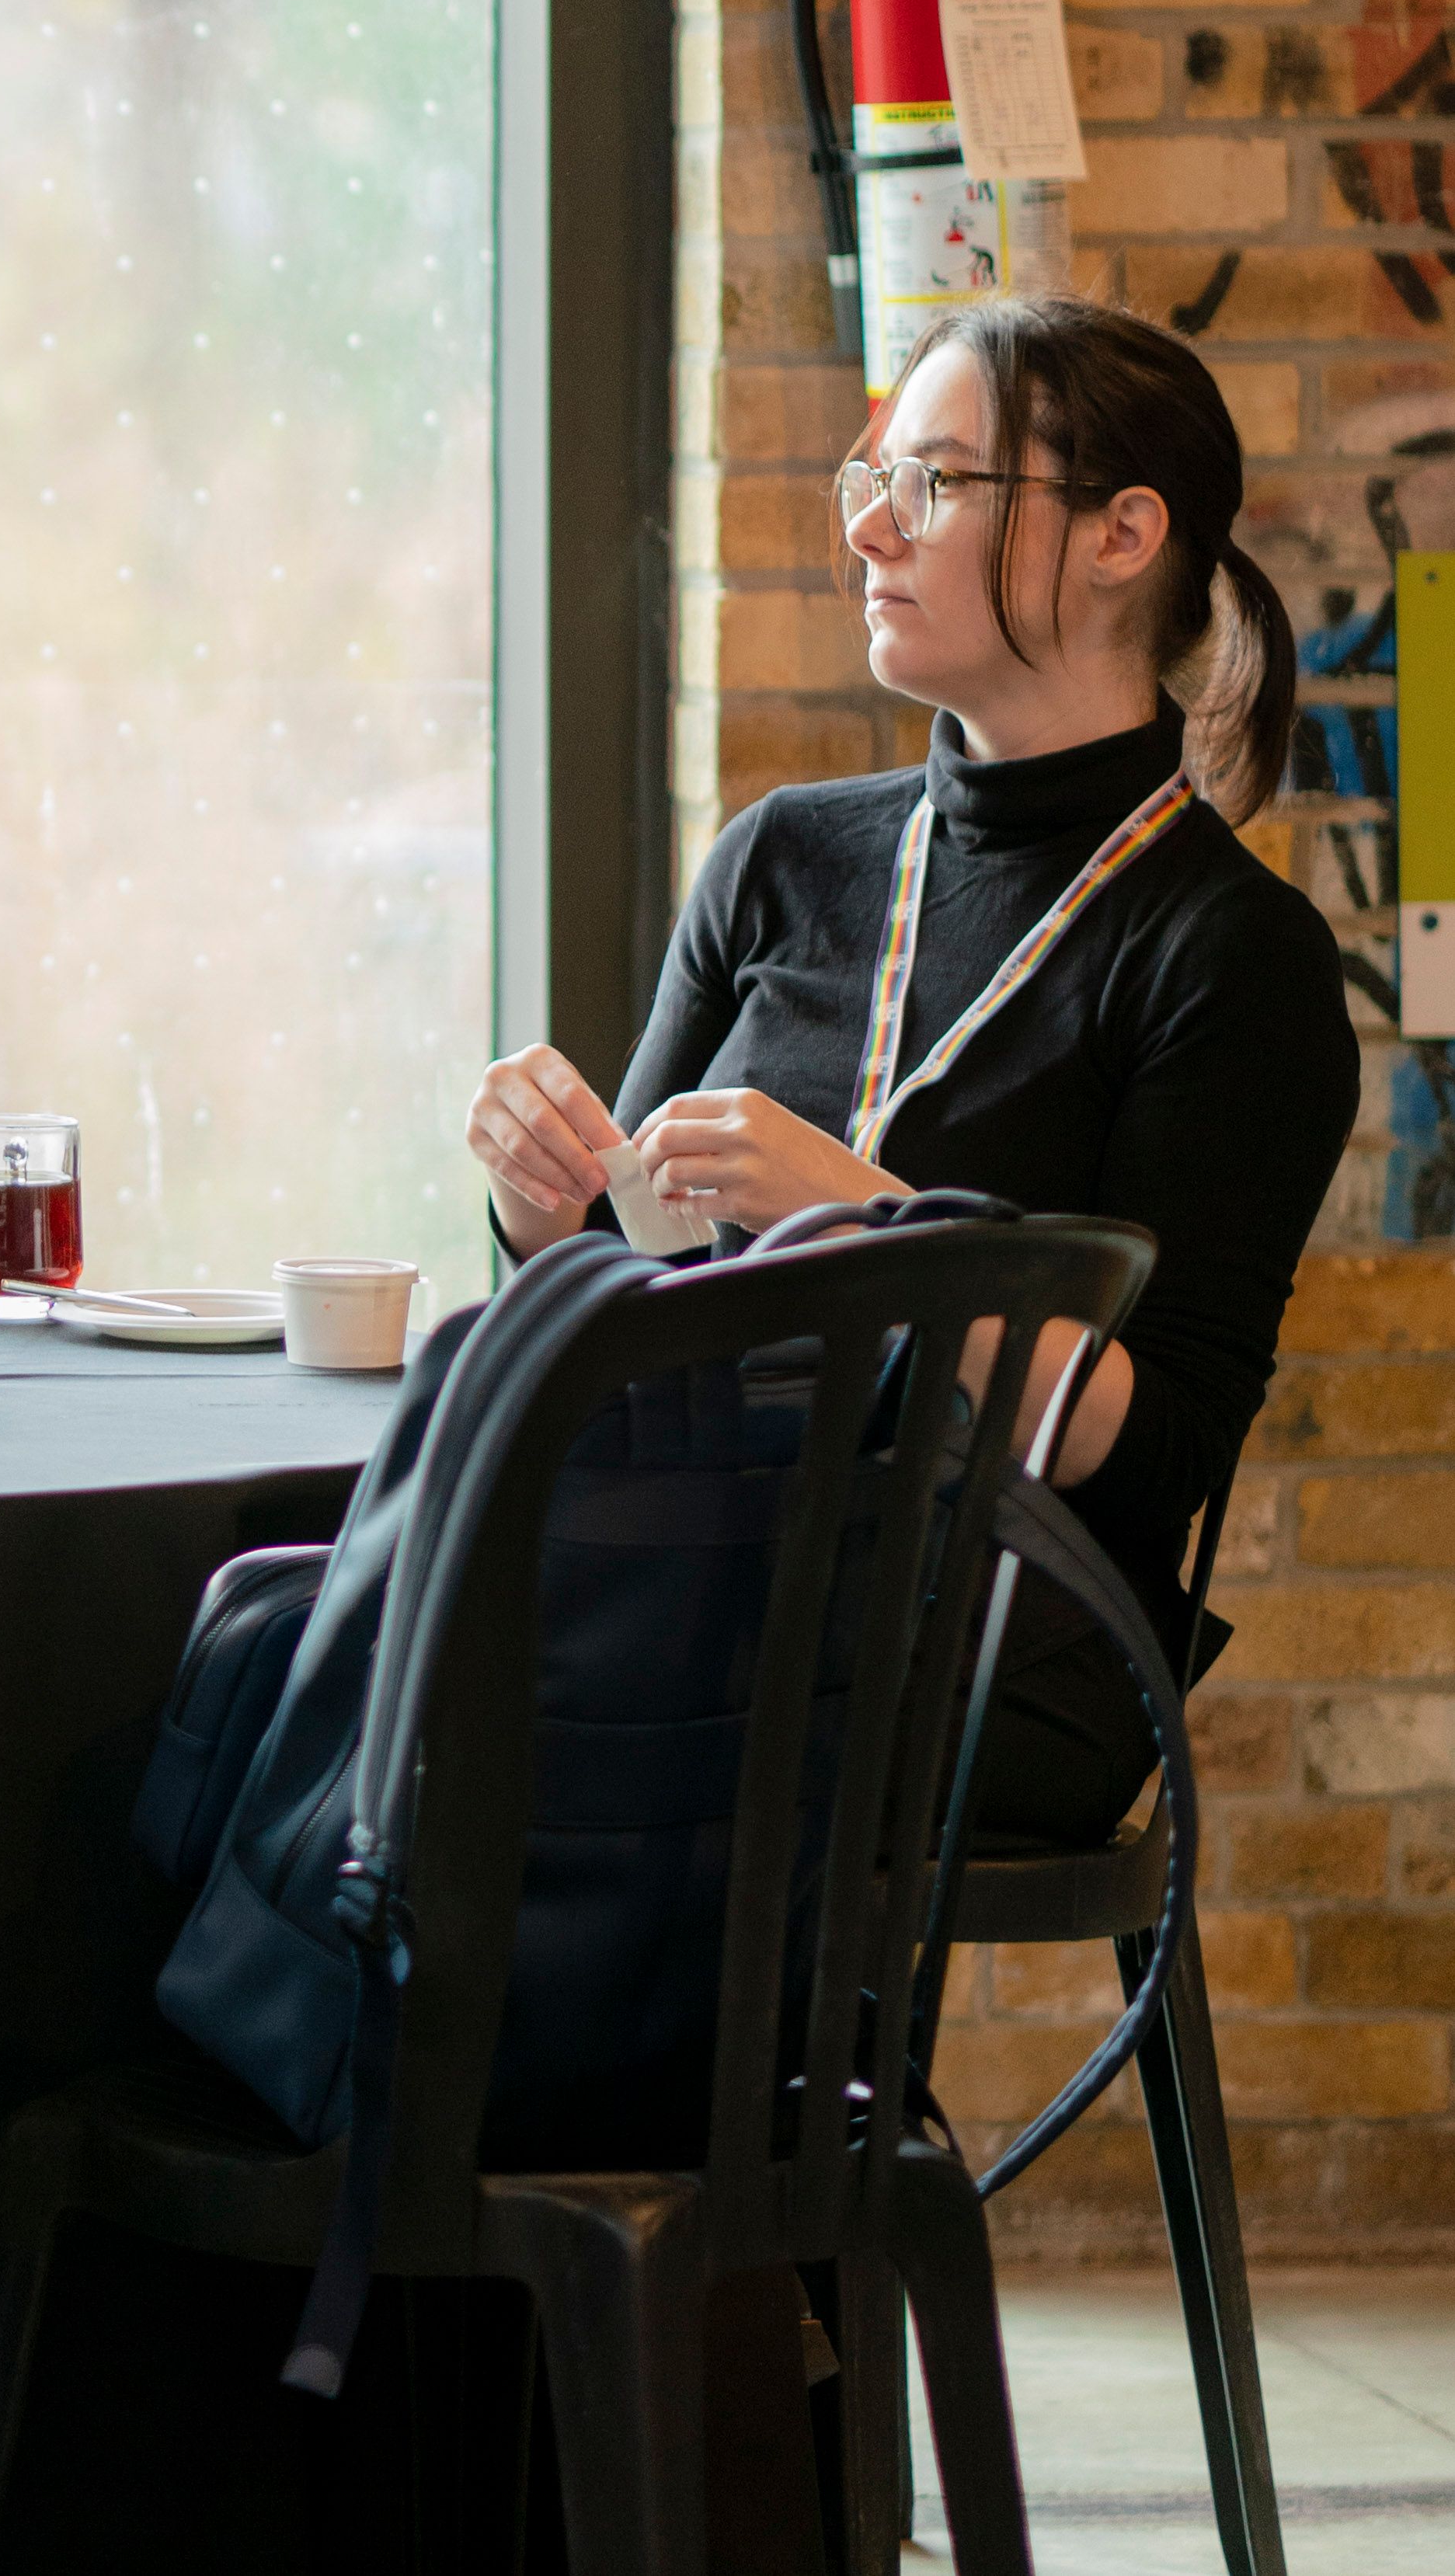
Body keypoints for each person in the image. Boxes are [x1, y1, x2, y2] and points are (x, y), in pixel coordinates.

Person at [465, 294, 1357, 1845]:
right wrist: (547, 1210)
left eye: (935, 483)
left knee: (492, 1705)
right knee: (313, 1619)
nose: (871, 531)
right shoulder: (785, 858)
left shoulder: (1232, 953)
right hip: (717, 1553)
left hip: (1007, 1626)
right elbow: (631, 1286)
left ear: (1119, 533)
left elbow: (1153, 1462)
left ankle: (668, 2093)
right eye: (871, 480)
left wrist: (879, 1229)